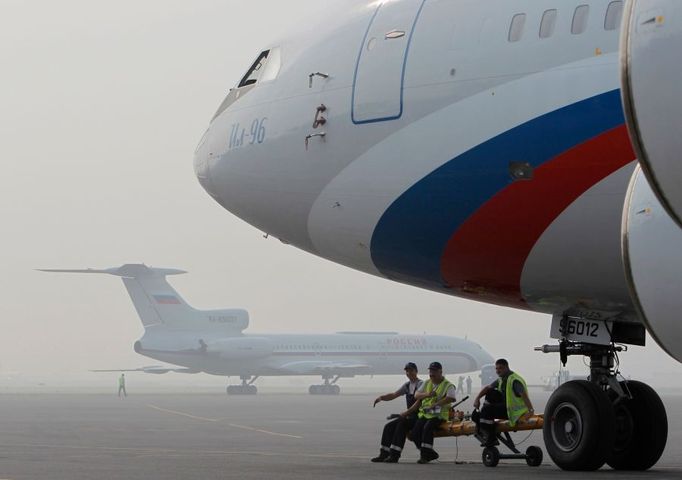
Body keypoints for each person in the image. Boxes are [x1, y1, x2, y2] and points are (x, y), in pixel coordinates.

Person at [473, 358, 533, 447]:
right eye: (496, 369)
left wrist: (531, 411)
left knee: (487, 410)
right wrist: (477, 398)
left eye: (500, 368)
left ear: (506, 367)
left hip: (513, 413)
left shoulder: (514, 380)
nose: (497, 371)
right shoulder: (501, 379)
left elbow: (524, 395)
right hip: (505, 408)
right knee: (479, 411)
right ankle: (486, 423)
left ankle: (492, 437)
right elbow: (487, 388)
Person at [370, 362, 423, 463]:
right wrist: (381, 398)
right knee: (388, 426)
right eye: (407, 371)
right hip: (409, 416)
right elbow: (394, 395)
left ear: (416, 371)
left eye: (411, 370)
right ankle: (384, 454)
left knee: (401, 425)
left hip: (419, 417)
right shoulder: (407, 385)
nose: (409, 373)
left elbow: (419, 403)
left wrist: (406, 413)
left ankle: (394, 455)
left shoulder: (421, 384)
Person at [409, 362, 456, 464]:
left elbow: (451, 397)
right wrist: (427, 394)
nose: (431, 374)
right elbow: (416, 395)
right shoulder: (427, 383)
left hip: (439, 415)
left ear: (440, 372)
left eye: (434, 371)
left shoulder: (448, 385)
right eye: (430, 371)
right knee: (414, 433)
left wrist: (437, 404)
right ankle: (430, 453)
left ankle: (425, 456)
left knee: (427, 428)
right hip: (426, 414)